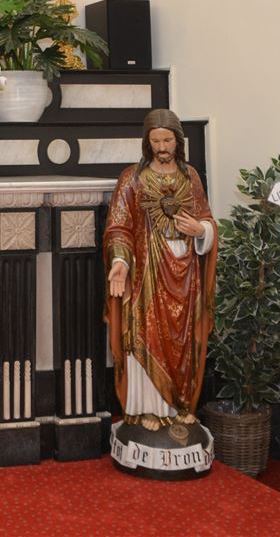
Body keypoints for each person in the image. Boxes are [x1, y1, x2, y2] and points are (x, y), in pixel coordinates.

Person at [103, 109, 217, 430]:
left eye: (168, 140)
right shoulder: (132, 178)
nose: (162, 147)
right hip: (147, 275)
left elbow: (207, 218)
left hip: (186, 272)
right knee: (148, 333)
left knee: (184, 340)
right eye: (156, 141)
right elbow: (118, 227)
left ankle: (180, 405)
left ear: (178, 141)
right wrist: (120, 262)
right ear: (147, 142)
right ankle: (147, 409)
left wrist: (201, 230)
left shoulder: (190, 177)